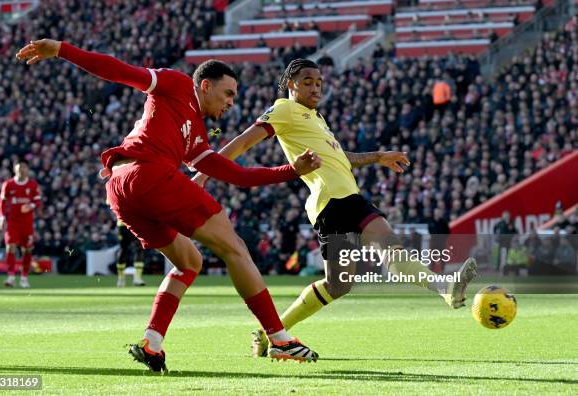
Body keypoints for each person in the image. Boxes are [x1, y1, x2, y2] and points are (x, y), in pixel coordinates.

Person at [16, 40, 322, 371]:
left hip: (120, 189)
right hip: (149, 174)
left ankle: (152, 342)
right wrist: (62, 49)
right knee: (235, 247)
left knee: (189, 261)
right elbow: (120, 72)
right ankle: (279, 338)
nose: (232, 102)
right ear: (205, 85)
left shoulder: (197, 137)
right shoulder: (177, 84)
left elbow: (238, 176)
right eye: (228, 93)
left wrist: (291, 170)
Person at [193, 59, 478, 357]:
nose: (315, 87)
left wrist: (378, 156)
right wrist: (203, 173)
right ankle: (272, 335)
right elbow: (241, 144)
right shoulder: (283, 109)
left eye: (319, 82)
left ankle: (445, 288)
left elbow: (341, 157)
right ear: (291, 84)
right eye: (307, 81)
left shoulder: (316, 118)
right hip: (330, 202)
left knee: (366, 266)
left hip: (350, 197)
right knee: (347, 278)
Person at [0, 159, 41, 288]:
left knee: (27, 249)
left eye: (23, 168)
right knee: (10, 246)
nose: (21, 170)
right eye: (19, 168)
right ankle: (11, 276)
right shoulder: (8, 184)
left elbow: (38, 201)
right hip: (13, 222)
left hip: (27, 223)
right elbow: (2, 202)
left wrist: (31, 205)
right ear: (15, 170)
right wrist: (1, 217)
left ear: (27, 169)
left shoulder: (33, 185)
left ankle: (24, 277)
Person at [116, 219, 146, 287]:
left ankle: (123, 279)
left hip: (127, 223)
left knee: (126, 249)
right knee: (126, 249)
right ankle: (135, 278)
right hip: (131, 222)